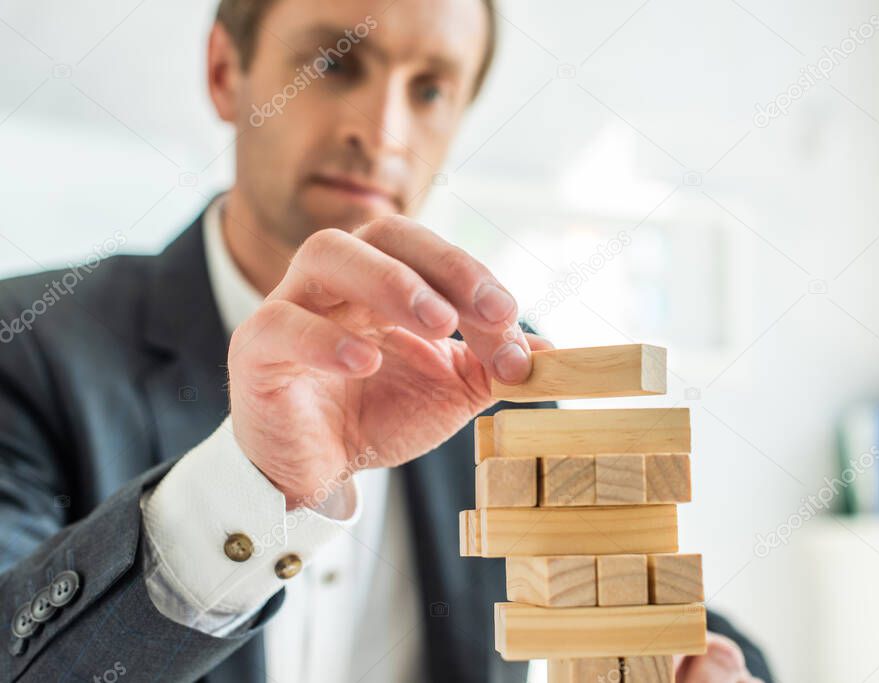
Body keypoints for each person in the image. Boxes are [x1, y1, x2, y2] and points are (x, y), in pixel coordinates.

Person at [0, 0, 773, 681]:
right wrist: (252, 480)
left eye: (431, 88)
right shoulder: (30, 346)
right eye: (334, 63)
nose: (383, 131)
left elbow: (648, 606)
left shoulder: (503, 374)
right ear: (224, 70)